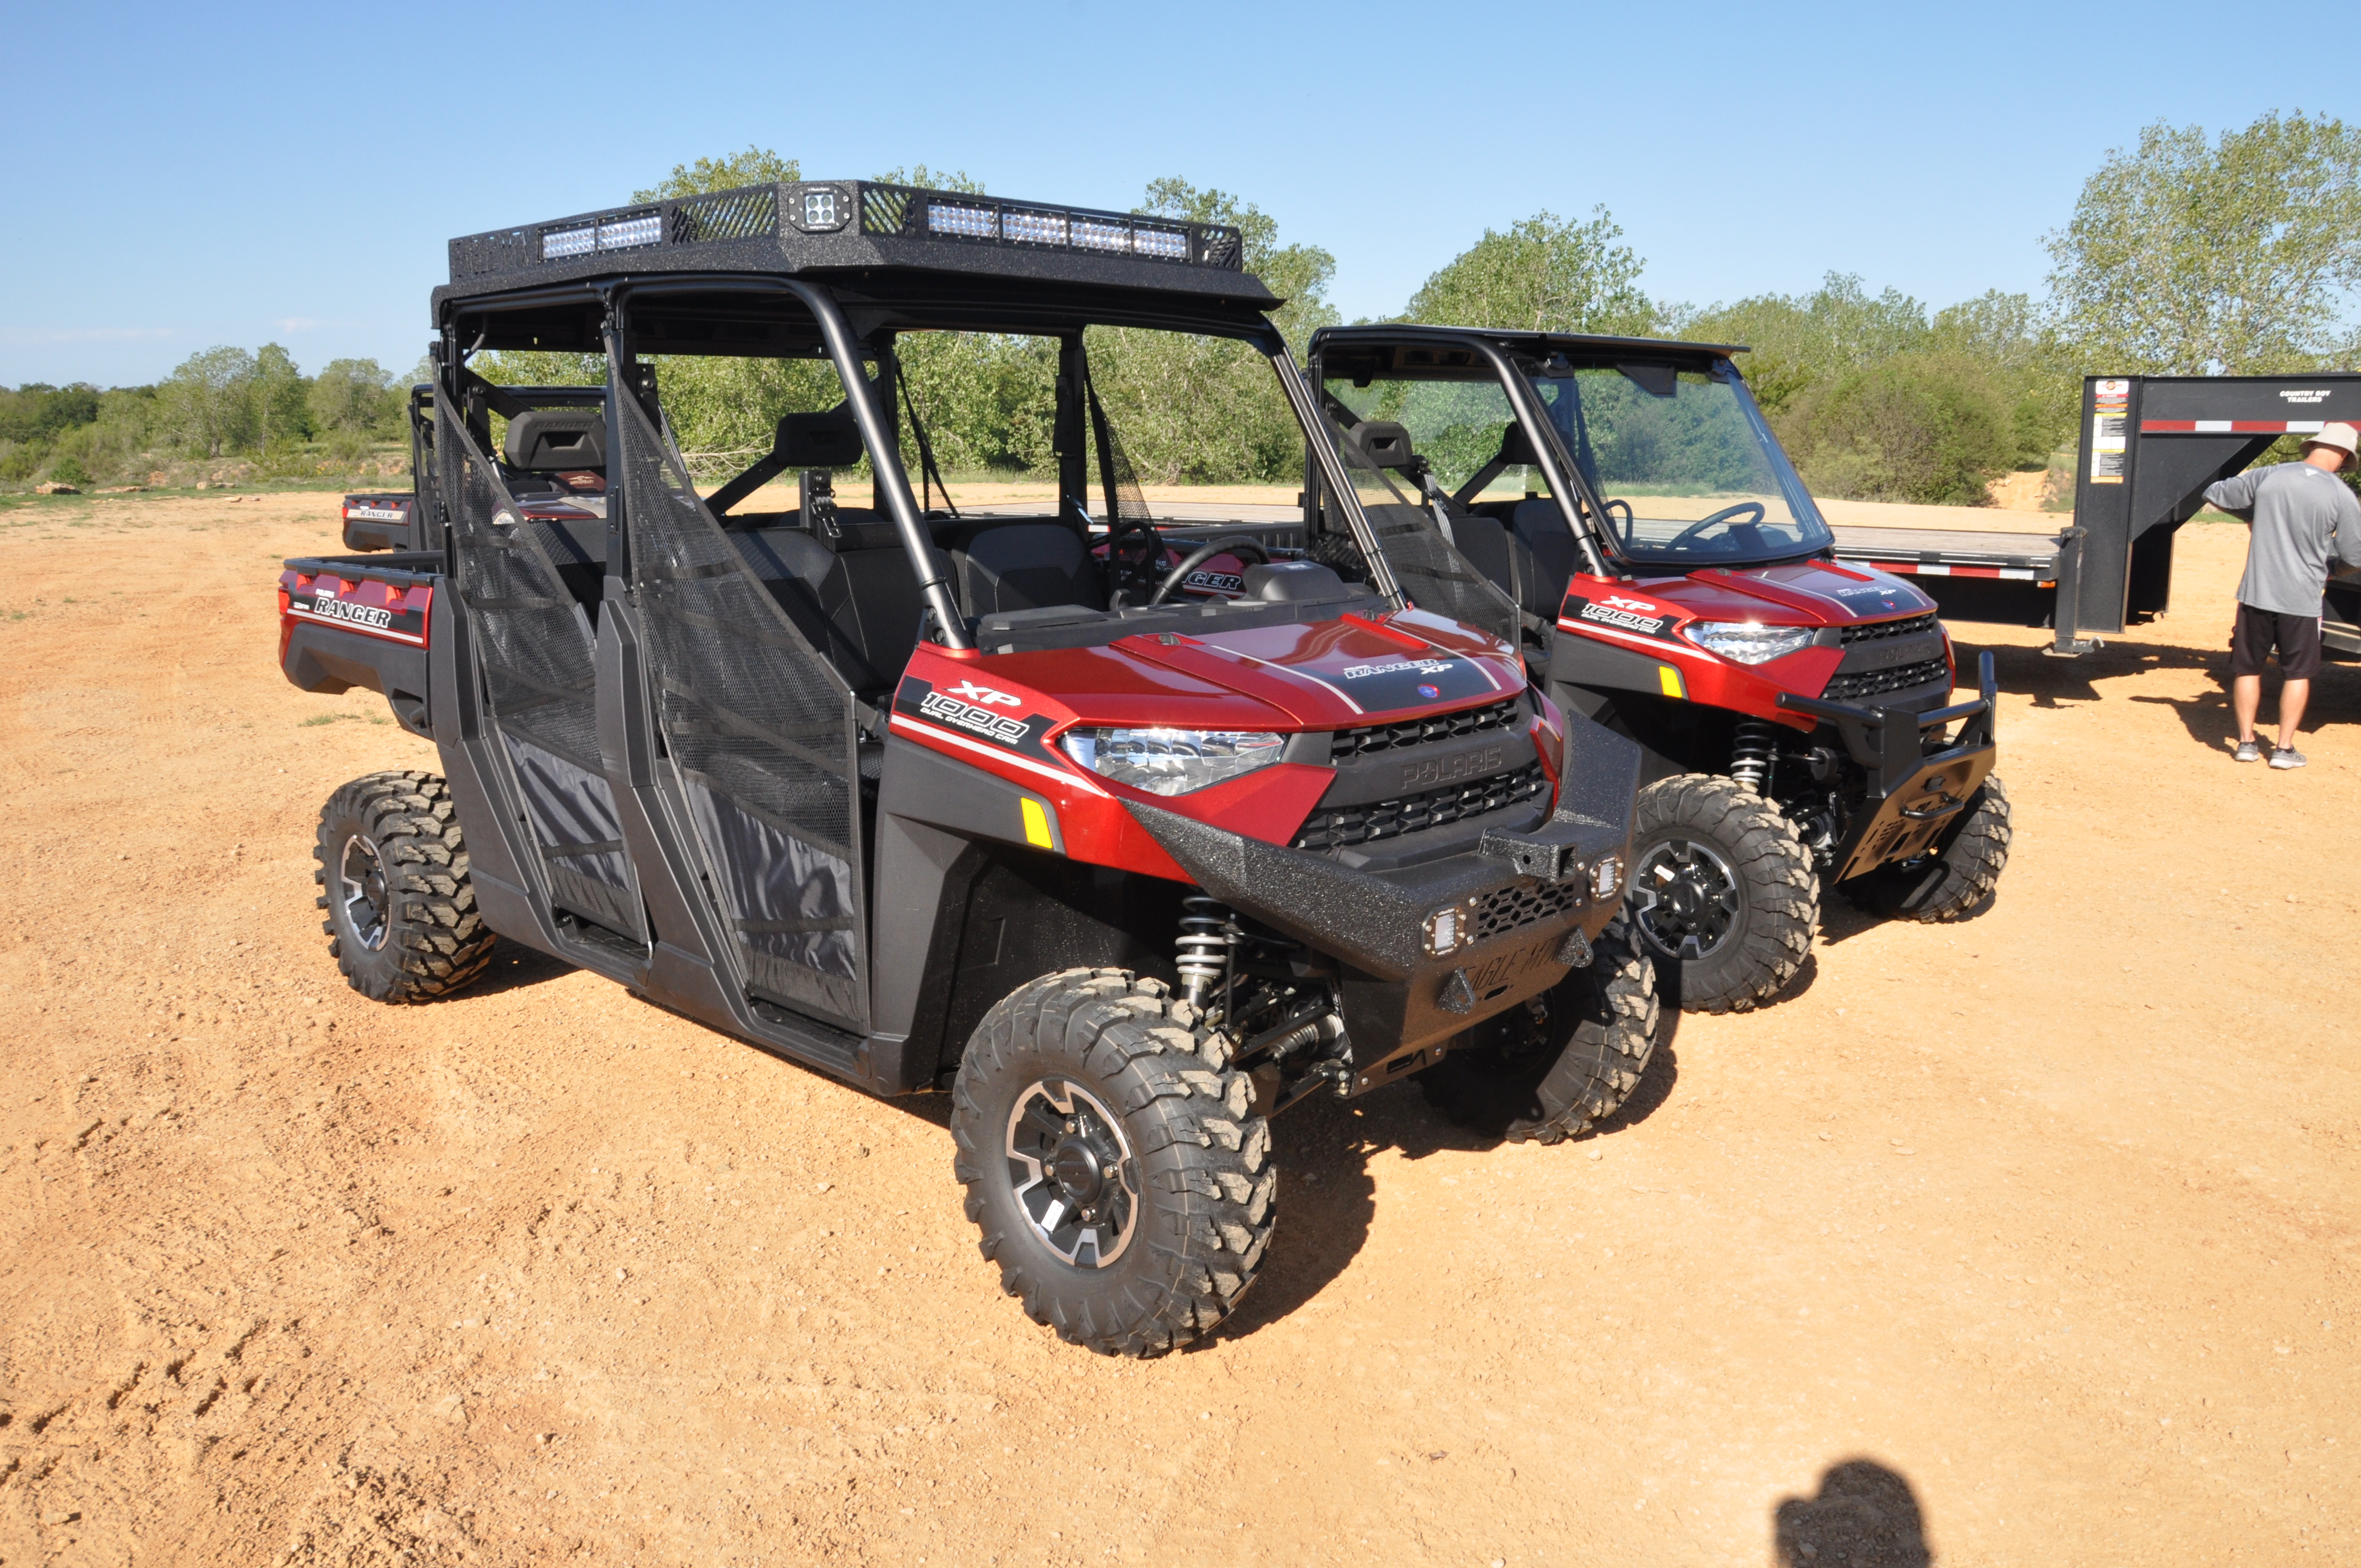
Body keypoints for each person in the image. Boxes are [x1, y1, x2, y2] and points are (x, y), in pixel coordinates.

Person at [2202, 421, 2361, 770]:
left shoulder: (2269, 475)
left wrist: (2254, 516)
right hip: (2301, 600)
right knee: (2298, 673)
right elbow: (2355, 556)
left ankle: (2245, 744)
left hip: (2256, 592)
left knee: (2248, 668)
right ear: (2345, 457)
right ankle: (2284, 750)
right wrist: (2331, 567)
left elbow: (2215, 493)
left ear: (2312, 447)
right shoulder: (2341, 496)